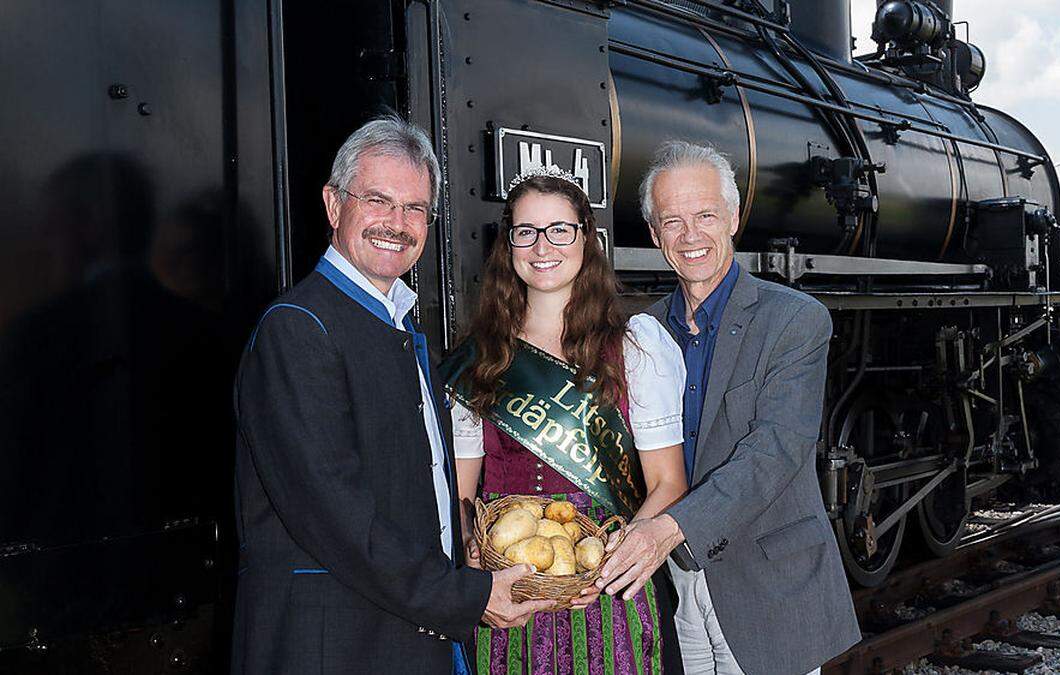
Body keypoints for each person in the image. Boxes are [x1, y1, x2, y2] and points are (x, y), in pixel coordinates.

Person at [231, 114, 553, 674]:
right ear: (334, 206)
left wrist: (463, 549)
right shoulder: (298, 328)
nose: (396, 224)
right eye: (378, 200)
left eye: (414, 209)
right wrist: (464, 595)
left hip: (401, 632)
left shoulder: (400, 324)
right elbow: (335, 513)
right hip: (336, 644)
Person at [595, 141, 861, 674]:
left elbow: (775, 452)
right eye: (672, 221)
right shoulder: (642, 334)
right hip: (677, 586)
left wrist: (667, 530)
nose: (690, 236)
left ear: (734, 218)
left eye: (705, 215)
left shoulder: (795, 321)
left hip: (771, 590)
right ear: (654, 234)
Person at [441, 167, 689, 674]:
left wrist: (612, 562)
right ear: (508, 245)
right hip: (508, 581)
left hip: (604, 584)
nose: (542, 247)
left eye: (560, 230)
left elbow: (668, 483)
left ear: (585, 239)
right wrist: (476, 568)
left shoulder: (636, 348)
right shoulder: (479, 358)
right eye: (526, 232)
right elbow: (461, 494)